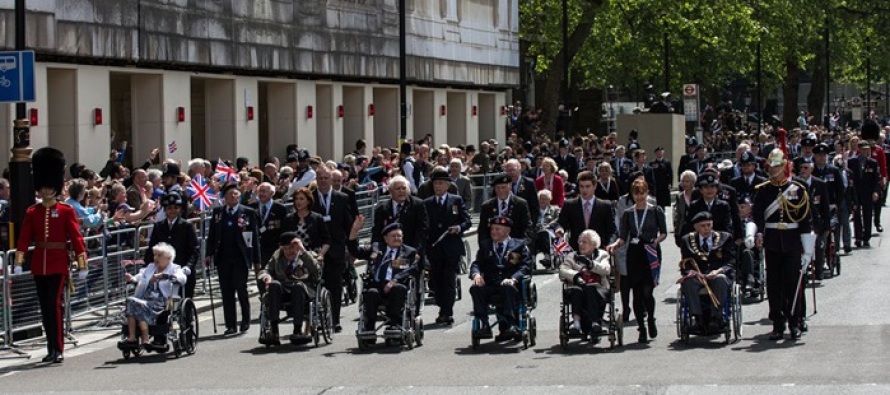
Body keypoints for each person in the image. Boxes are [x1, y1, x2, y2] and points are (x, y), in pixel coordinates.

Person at [14, 147, 88, 364]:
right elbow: (24, 239)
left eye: (49, 187)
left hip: (58, 263)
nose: (46, 191)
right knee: (44, 307)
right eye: (43, 188)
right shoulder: (32, 212)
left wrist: (82, 263)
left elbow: (76, 238)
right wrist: (19, 261)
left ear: (55, 187)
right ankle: (50, 348)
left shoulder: (66, 211)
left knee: (54, 304)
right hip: (39, 263)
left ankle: (58, 348)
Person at [753, 148, 813, 340]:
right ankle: (778, 324)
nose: (773, 169)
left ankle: (795, 321)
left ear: (785, 166)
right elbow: (758, 216)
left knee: (792, 283)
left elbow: (805, 220)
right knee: (774, 284)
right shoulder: (763, 190)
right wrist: (759, 233)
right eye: (771, 165)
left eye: (777, 165)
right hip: (772, 242)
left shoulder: (797, 189)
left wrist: (808, 249)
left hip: (792, 241)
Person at [606, 179, 667, 344]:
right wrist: (614, 245)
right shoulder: (628, 213)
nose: (639, 197)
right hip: (634, 254)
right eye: (636, 193)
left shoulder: (655, 211)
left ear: (647, 193)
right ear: (632, 195)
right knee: (637, 292)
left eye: (642, 193)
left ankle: (651, 319)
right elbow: (623, 237)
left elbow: (664, 232)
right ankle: (641, 327)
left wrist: (656, 240)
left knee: (648, 291)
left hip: (650, 252)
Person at [205, 183, 260, 335]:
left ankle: (245, 320)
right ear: (225, 198)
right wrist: (208, 254)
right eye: (230, 195)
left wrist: (256, 261)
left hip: (240, 257)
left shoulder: (247, 212)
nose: (234, 197)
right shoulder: (218, 213)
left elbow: (254, 238)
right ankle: (230, 325)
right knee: (226, 292)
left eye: (236, 194)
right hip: (223, 257)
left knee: (241, 288)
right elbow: (212, 236)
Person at [348, 218, 419, 334]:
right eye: (393, 236)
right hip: (377, 285)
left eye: (399, 236)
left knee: (399, 289)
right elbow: (355, 251)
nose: (397, 238)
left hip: (396, 285)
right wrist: (354, 230)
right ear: (385, 239)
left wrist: (394, 281)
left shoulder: (408, 252)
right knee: (370, 293)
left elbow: (412, 268)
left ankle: (394, 324)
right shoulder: (376, 248)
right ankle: (369, 327)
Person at [469, 216, 532, 342]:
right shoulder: (486, 245)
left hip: (510, 287)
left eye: (498, 229)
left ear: (507, 231)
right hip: (491, 286)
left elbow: (526, 266)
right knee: (475, 288)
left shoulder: (519, 245)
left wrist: (513, 279)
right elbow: (477, 264)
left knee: (507, 287)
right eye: (492, 229)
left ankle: (510, 324)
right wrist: (476, 274)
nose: (494, 232)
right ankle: (484, 324)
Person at [423, 169, 472, 325]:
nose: (438, 186)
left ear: (447, 185)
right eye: (436, 183)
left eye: (441, 183)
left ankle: (447, 312)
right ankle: (441, 304)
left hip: (451, 247)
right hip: (434, 248)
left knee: (449, 279)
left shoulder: (456, 200)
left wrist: (458, 228)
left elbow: (467, 221)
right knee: (436, 281)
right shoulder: (427, 203)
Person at [119, 243, 187, 350]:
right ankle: (132, 338)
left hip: (165, 301)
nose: (156, 258)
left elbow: (182, 278)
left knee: (136, 305)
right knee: (131, 302)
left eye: (159, 255)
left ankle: (145, 338)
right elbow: (141, 276)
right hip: (147, 299)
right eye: (155, 255)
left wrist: (166, 276)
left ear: (168, 258)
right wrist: (132, 278)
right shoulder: (151, 267)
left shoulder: (174, 268)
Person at [257, 232, 320, 345]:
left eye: (292, 248)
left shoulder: (307, 255)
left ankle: (297, 330)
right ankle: (274, 331)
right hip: (283, 290)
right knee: (274, 285)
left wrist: (303, 250)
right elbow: (265, 270)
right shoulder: (277, 256)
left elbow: (317, 271)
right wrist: (266, 277)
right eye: (285, 249)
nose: (289, 251)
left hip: (304, 291)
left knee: (297, 287)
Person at [311, 167, 353, 332]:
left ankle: (334, 320)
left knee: (334, 285)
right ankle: (318, 319)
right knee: (316, 285)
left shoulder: (342, 198)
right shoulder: (311, 198)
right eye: (320, 178)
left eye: (326, 178)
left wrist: (351, 248)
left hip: (336, 248)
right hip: (316, 249)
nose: (323, 181)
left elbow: (347, 224)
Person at [678, 212, 735, 333]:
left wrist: (718, 271)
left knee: (720, 279)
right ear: (696, 227)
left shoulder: (725, 238)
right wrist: (694, 273)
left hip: (716, 273)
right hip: (698, 275)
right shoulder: (687, 240)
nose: (706, 229)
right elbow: (685, 264)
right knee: (688, 282)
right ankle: (698, 319)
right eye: (703, 226)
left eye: (709, 225)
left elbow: (730, 262)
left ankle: (716, 318)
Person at [144, 192, 199, 298]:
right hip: (164, 271)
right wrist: (147, 265)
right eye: (169, 208)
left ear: (180, 209)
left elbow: (194, 250)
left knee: (184, 301)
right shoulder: (159, 226)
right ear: (165, 210)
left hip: (182, 268)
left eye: (175, 208)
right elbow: (152, 248)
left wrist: (188, 266)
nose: (172, 210)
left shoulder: (186, 226)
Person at [559, 230, 611, 337]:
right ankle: (576, 324)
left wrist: (591, 264)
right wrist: (576, 276)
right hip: (577, 289)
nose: (581, 244)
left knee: (589, 289)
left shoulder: (602, 255)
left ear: (593, 245)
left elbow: (606, 269)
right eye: (580, 242)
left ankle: (594, 323)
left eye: (585, 242)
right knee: (577, 290)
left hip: (598, 289)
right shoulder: (571, 256)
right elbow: (562, 270)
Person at [555, 170, 616, 252]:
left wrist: (609, 245)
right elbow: (560, 223)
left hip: (598, 251)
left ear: (594, 186)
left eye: (587, 186)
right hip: (575, 250)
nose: (584, 190)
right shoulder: (569, 205)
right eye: (581, 186)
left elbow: (612, 230)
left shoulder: (605, 206)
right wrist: (560, 229)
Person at [477, 174, 533, 248]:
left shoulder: (520, 204)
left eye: (504, 187)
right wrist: (485, 247)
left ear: (510, 186)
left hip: (515, 245)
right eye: (498, 188)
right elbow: (483, 229)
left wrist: (523, 245)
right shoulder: (487, 206)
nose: (501, 191)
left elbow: (527, 226)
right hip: (494, 246)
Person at [849, 140, 882, 248]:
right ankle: (858, 237)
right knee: (857, 215)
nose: (865, 151)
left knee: (867, 215)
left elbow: (876, 179)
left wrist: (876, 192)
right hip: (856, 193)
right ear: (859, 149)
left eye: (867, 149)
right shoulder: (852, 161)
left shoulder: (872, 162)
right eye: (863, 149)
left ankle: (866, 236)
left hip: (868, 193)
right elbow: (849, 176)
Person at [252, 182, 290, 270]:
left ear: (272, 193)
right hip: (257, 247)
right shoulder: (252, 207)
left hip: (274, 246)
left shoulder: (280, 208)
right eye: (260, 191)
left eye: (264, 191)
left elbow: (284, 228)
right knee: (260, 275)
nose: (262, 194)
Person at [682, 173, 734, 237]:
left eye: (712, 187)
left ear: (717, 189)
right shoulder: (694, 205)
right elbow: (688, 227)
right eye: (706, 187)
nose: (709, 190)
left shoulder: (723, 206)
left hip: (719, 241)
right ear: (701, 190)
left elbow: (728, 228)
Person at [674, 170, 697, 247]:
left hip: (696, 228)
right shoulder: (679, 197)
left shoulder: (698, 194)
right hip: (684, 229)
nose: (684, 183)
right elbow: (678, 216)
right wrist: (676, 232)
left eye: (687, 181)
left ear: (693, 182)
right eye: (683, 181)